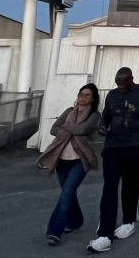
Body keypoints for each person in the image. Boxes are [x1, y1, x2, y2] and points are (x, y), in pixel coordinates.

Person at [88, 67, 139, 253]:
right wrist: (102, 127)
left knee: (131, 188)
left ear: (131, 79)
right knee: (109, 188)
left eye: (123, 84)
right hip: (113, 147)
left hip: (135, 148)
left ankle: (128, 222)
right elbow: (105, 118)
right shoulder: (112, 95)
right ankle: (105, 234)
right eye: (117, 84)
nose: (120, 87)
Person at [37, 83, 101, 246]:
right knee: (68, 193)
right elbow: (53, 129)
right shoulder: (68, 112)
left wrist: (65, 127)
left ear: (93, 99)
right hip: (61, 159)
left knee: (66, 194)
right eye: (81, 94)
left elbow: (83, 129)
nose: (83, 97)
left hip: (80, 160)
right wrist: (72, 128)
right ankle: (75, 221)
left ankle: (54, 231)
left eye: (87, 95)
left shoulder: (94, 116)